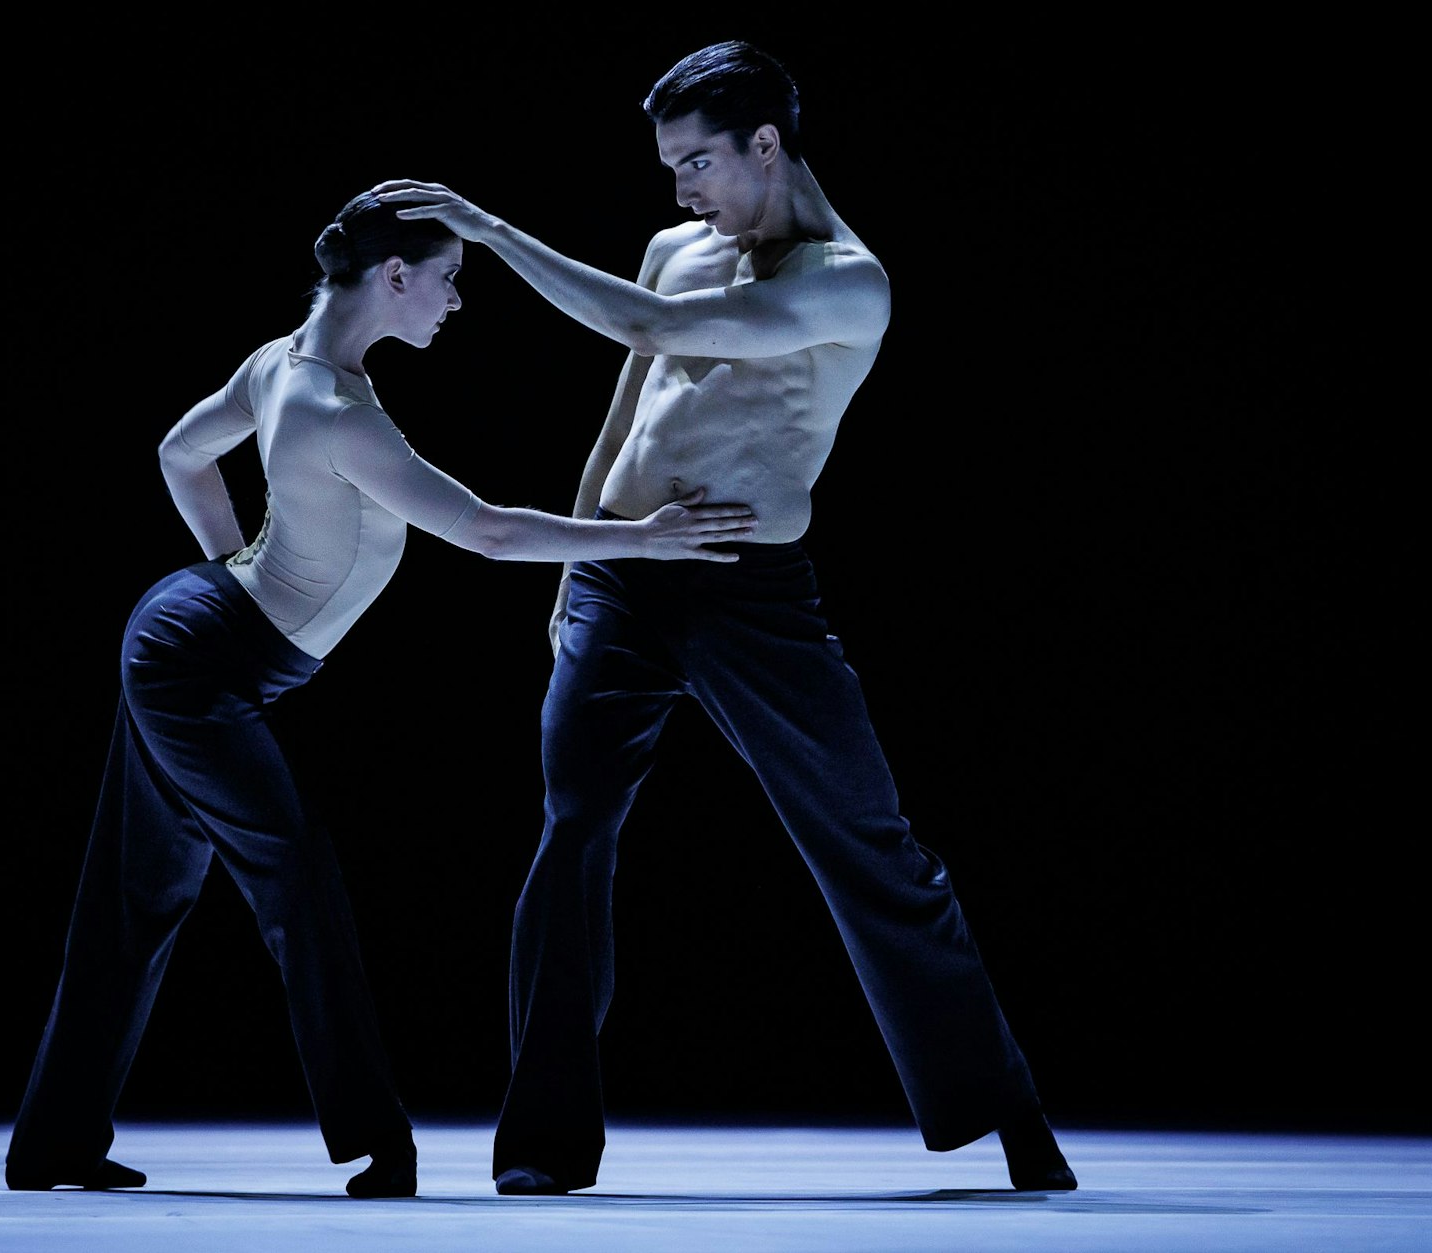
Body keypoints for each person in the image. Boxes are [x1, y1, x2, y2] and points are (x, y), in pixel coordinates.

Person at [374, 39, 1077, 1196]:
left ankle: (1001, 1110)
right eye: (669, 167)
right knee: (570, 835)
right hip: (621, 578)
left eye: (697, 162)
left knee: (867, 841)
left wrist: (494, 233)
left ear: (767, 145)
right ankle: (542, 1143)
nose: (681, 191)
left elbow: (655, 333)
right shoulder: (674, 250)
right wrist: (574, 559)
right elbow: (626, 409)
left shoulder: (846, 280)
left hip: (748, 591)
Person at [3, 189, 757, 1199]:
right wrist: (642, 537)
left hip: (196, 641)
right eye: (446, 279)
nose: (454, 301)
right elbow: (485, 529)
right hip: (195, 661)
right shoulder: (323, 404)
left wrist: (233, 565)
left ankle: (51, 1143)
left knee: (139, 897)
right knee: (296, 881)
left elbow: (178, 450)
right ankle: (377, 1144)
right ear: (392, 276)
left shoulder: (283, 363)